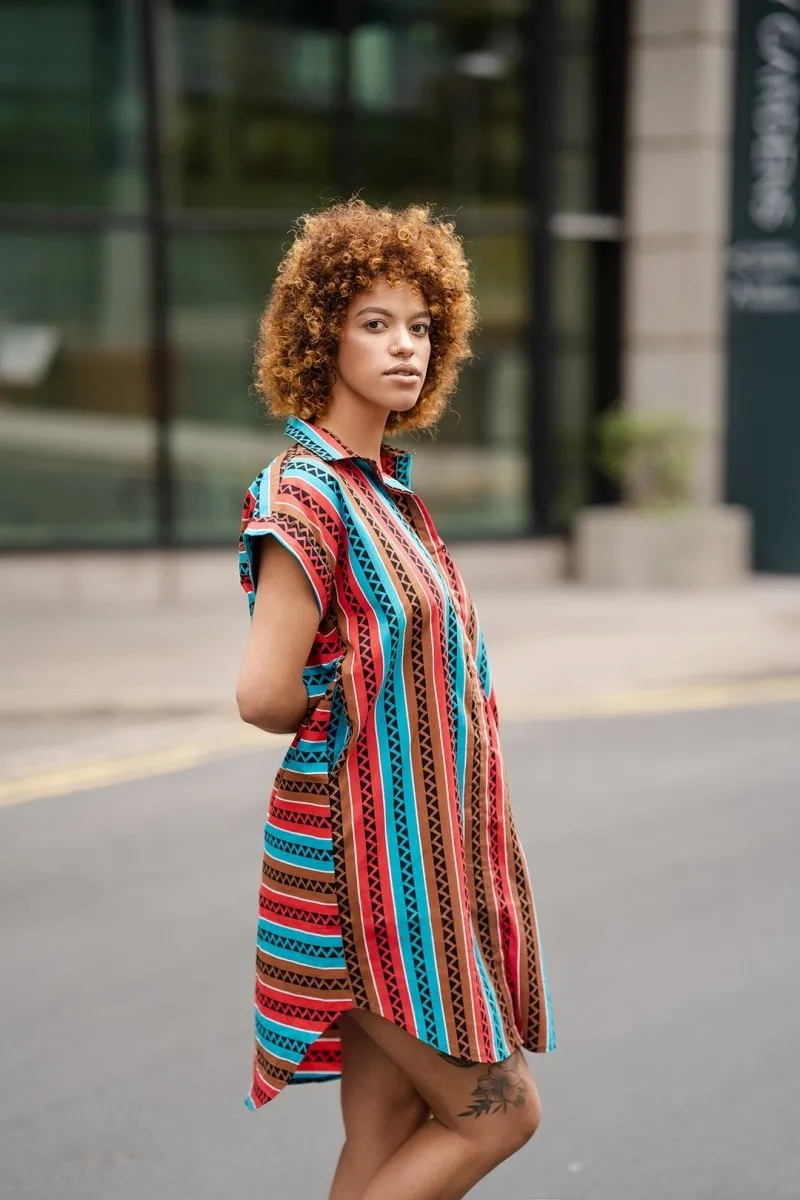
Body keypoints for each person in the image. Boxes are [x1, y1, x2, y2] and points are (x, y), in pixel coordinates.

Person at [236, 198, 556, 1200]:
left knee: (380, 1138)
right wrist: (349, 713)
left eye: (419, 326)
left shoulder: (384, 490)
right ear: (319, 332)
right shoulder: (306, 492)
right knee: (498, 1114)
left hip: (422, 861)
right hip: (362, 872)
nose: (404, 346)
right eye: (374, 322)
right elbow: (261, 693)